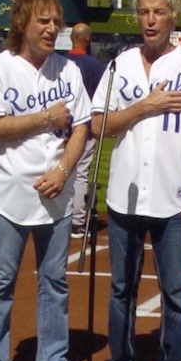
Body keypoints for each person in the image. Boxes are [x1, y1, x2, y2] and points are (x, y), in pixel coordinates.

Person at [91, 0, 181, 361]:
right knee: (121, 286)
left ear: (173, 17)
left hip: (172, 196)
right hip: (124, 192)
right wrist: (146, 106)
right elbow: (98, 124)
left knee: (174, 289)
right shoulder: (119, 64)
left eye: (159, 12)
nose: (150, 19)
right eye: (144, 11)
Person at [0, 0, 90, 361]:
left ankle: (53, 359)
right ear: (22, 22)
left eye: (56, 21)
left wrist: (62, 170)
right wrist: (45, 118)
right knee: (0, 281)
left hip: (56, 194)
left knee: (55, 281)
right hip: (11, 193)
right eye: (43, 20)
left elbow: (82, 127)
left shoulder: (69, 69)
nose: (51, 28)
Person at [64, 23, 106, 237]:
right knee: (80, 174)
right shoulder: (94, 65)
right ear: (88, 39)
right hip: (85, 126)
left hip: (60, 125)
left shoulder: (59, 62)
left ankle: (59, 216)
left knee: (59, 169)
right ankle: (77, 221)